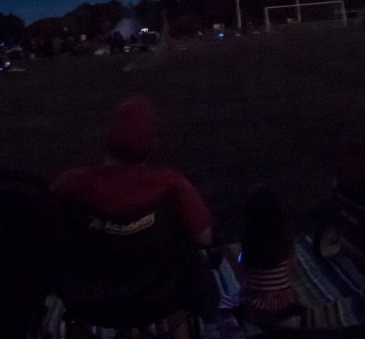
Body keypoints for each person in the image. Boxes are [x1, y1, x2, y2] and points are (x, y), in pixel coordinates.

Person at [50, 95, 218, 325]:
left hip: (87, 298)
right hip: (156, 298)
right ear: (150, 144)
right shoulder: (171, 185)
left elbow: (44, 231)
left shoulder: (69, 185)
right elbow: (204, 237)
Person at [238, 186, 303, 330]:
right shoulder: (287, 245)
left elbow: (243, 269)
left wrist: (239, 257)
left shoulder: (248, 246)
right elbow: (293, 268)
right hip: (285, 307)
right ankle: (285, 323)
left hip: (256, 310)